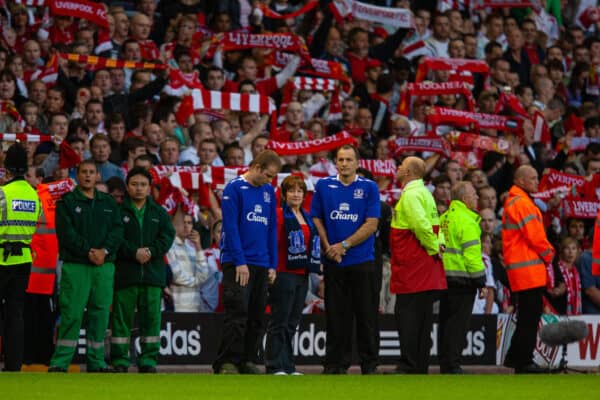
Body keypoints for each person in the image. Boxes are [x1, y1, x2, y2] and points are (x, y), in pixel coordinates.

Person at [310, 144, 380, 375]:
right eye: (340, 159)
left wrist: (344, 245)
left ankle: (369, 365)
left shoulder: (369, 187)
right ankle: (335, 364)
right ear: (335, 162)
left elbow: (372, 224)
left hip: (362, 260)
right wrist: (328, 245)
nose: (344, 163)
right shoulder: (323, 185)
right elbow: (317, 218)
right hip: (333, 261)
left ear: (358, 163)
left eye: (349, 159)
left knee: (366, 315)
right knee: (336, 315)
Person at [48, 160, 124, 372]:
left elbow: (118, 231)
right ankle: (60, 362)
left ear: (98, 176)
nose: (88, 176)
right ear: (77, 175)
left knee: (100, 313)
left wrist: (104, 251)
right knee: (71, 313)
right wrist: (89, 251)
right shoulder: (67, 202)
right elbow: (66, 234)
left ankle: (97, 361)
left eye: (92, 172)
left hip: (104, 266)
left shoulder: (109, 203)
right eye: (84, 172)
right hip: (76, 265)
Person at [213, 150, 281, 374]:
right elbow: (230, 228)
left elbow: (271, 229)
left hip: (262, 263)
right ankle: (227, 362)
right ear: (258, 168)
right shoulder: (234, 188)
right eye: (269, 175)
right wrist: (240, 261)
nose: (270, 181)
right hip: (238, 261)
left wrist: (272, 264)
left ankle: (248, 360)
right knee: (237, 311)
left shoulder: (268, 191)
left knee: (257, 314)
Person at [110, 167, 175, 373]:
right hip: (126, 275)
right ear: (127, 187)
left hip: (153, 275)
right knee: (121, 321)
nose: (139, 188)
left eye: (143, 185)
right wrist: (133, 252)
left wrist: (150, 251)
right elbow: (115, 238)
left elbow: (167, 237)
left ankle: (148, 360)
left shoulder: (159, 213)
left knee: (152, 321)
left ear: (149, 188)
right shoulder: (117, 212)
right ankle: (120, 360)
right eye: (134, 184)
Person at [390, 156, 446, 374]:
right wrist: (439, 246)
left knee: (407, 318)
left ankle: (408, 365)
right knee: (422, 320)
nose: (398, 168)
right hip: (426, 267)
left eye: (401, 166)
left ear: (409, 173)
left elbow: (420, 225)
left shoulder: (411, 194)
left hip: (413, 266)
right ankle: (419, 365)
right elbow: (436, 225)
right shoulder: (425, 194)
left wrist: (433, 247)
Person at [265, 175, 320, 375]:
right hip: (283, 273)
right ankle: (274, 365)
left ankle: (288, 365)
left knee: (292, 323)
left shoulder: (306, 216)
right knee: (279, 321)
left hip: (302, 274)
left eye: (299, 191)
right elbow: (271, 241)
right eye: (291, 190)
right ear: (284, 194)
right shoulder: (279, 215)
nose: (296, 194)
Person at [502, 165, 555, 374]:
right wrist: (550, 253)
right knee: (529, 318)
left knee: (526, 316)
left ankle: (515, 357)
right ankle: (524, 361)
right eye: (533, 178)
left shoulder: (518, 201)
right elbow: (536, 237)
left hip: (523, 271)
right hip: (528, 272)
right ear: (521, 180)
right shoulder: (522, 203)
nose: (536, 182)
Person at [0, 143, 41, 371]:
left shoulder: (3, 193)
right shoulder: (33, 194)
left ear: (6, 168)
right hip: (24, 258)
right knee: (16, 314)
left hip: (2, 257)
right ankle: (14, 364)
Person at [438, 181, 486, 374]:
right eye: (474, 195)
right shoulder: (467, 220)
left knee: (445, 323)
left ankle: (445, 363)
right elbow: (472, 256)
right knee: (458, 325)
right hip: (463, 279)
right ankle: (453, 365)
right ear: (465, 199)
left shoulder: (444, 218)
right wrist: (481, 281)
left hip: (443, 278)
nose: (477, 198)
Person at [166, 209, 210, 312]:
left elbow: (204, 275)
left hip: (195, 306)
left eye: (189, 223)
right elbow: (176, 276)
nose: (186, 226)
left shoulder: (193, 248)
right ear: (174, 224)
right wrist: (196, 281)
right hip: (177, 307)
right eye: (183, 222)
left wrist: (199, 247)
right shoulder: (169, 246)